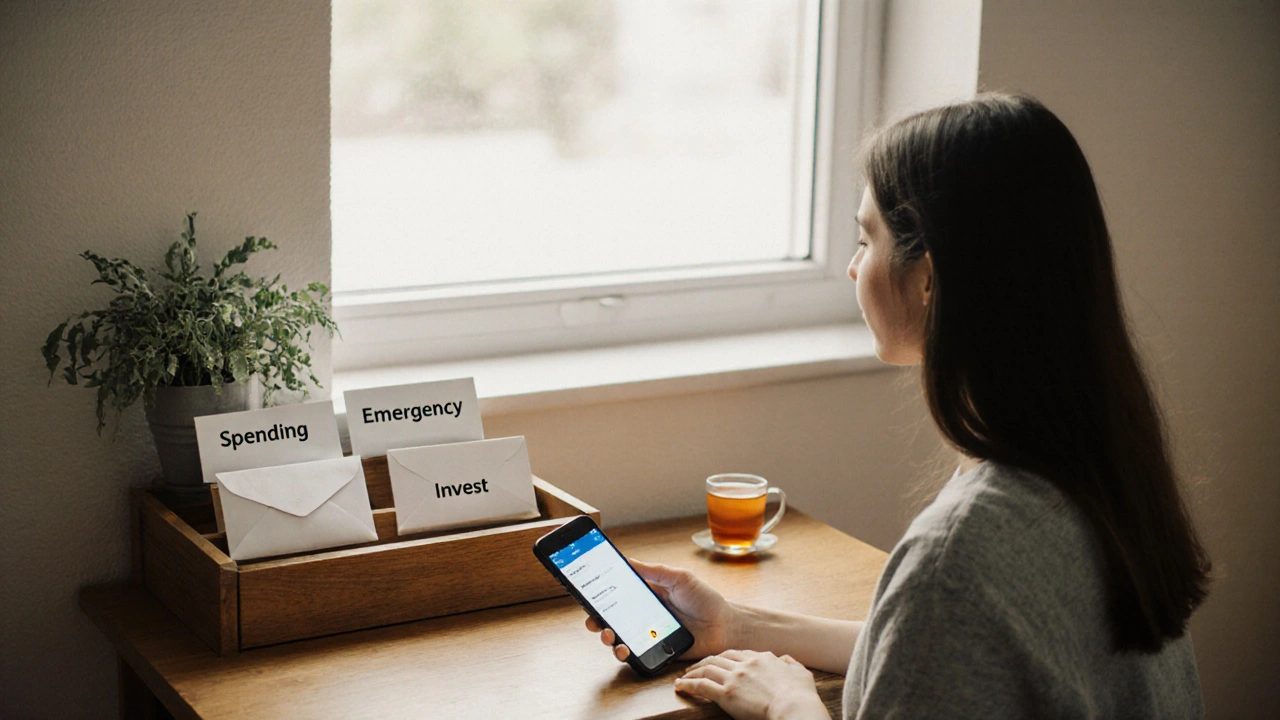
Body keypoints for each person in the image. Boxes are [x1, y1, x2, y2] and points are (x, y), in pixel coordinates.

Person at [585, 93, 1212, 719]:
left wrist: (789, 706)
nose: (855, 269)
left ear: (930, 278)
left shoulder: (958, 555)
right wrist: (739, 625)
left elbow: (940, 632)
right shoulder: (1093, 471)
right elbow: (948, 658)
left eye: (867, 238)